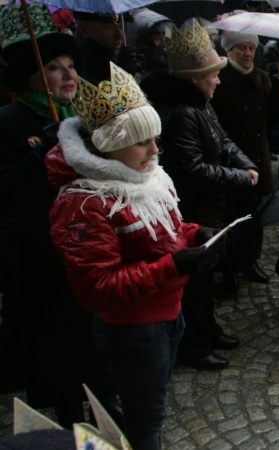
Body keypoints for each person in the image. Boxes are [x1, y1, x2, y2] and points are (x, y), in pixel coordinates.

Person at [48, 62, 223, 449]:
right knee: (146, 422)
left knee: (151, 409)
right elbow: (97, 288)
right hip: (133, 330)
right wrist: (174, 266)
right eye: (143, 141)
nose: (155, 151)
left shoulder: (145, 174)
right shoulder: (85, 202)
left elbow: (166, 233)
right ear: (110, 144)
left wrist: (195, 235)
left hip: (167, 315)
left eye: (154, 139)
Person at [0, 7, 116, 426]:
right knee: (57, 338)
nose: (68, 75)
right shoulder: (10, 122)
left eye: (70, 66)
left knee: (93, 329)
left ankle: (101, 399)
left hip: (89, 245)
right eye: (53, 67)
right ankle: (67, 409)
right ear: (32, 76)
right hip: (41, 252)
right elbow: (7, 192)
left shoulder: (82, 117)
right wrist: (37, 156)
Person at [141, 21, 258, 370]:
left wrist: (246, 163)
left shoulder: (201, 104)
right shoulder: (181, 113)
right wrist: (239, 177)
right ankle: (194, 345)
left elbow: (223, 140)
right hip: (192, 210)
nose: (218, 79)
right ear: (195, 78)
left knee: (205, 278)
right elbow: (191, 171)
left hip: (209, 207)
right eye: (212, 74)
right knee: (193, 282)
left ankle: (207, 329)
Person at [212, 30, 279, 284]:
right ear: (229, 51)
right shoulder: (219, 79)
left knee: (256, 215)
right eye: (241, 48)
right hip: (232, 160)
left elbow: (271, 122)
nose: (247, 53)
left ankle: (250, 261)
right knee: (231, 216)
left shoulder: (263, 78)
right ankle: (229, 266)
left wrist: (278, 101)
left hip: (259, 157)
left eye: (251, 48)